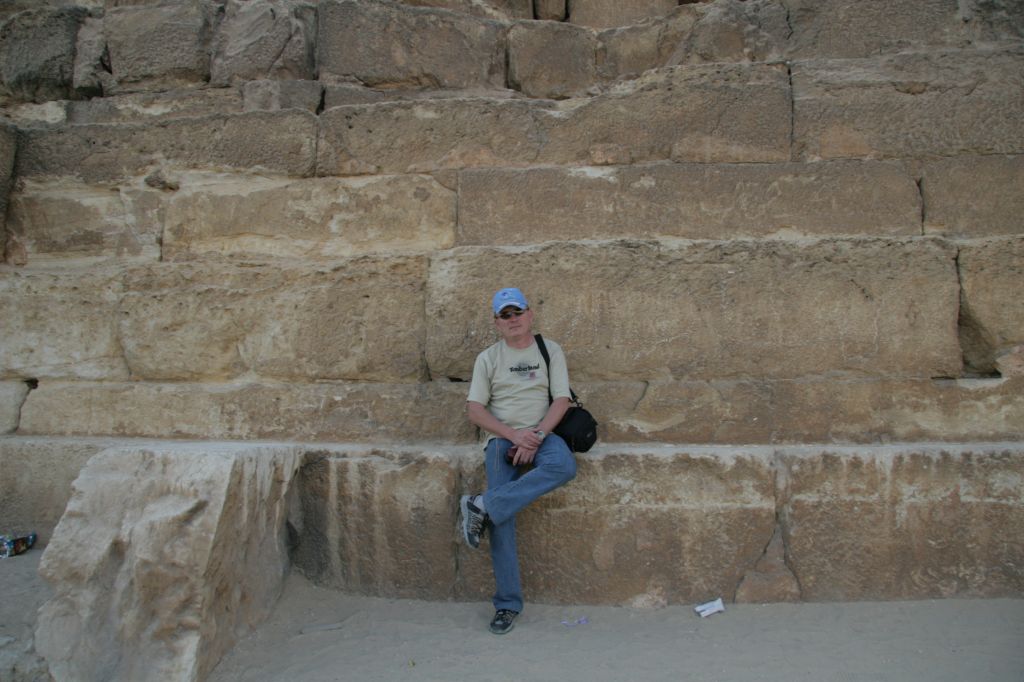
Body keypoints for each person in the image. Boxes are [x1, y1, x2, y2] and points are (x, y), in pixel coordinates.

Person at [459, 287, 577, 635]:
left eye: (517, 312)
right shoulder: (488, 358)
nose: (512, 320)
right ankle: (507, 605)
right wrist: (514, 435)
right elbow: (475, 410)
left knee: (563, 465)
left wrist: (536, 435)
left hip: (543, 434)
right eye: (505, 315)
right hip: (502, 440)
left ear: (530, 315)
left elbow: (561, 400)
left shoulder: (549, 350)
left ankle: (481, 504)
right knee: (503, 518)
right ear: (497, 322)